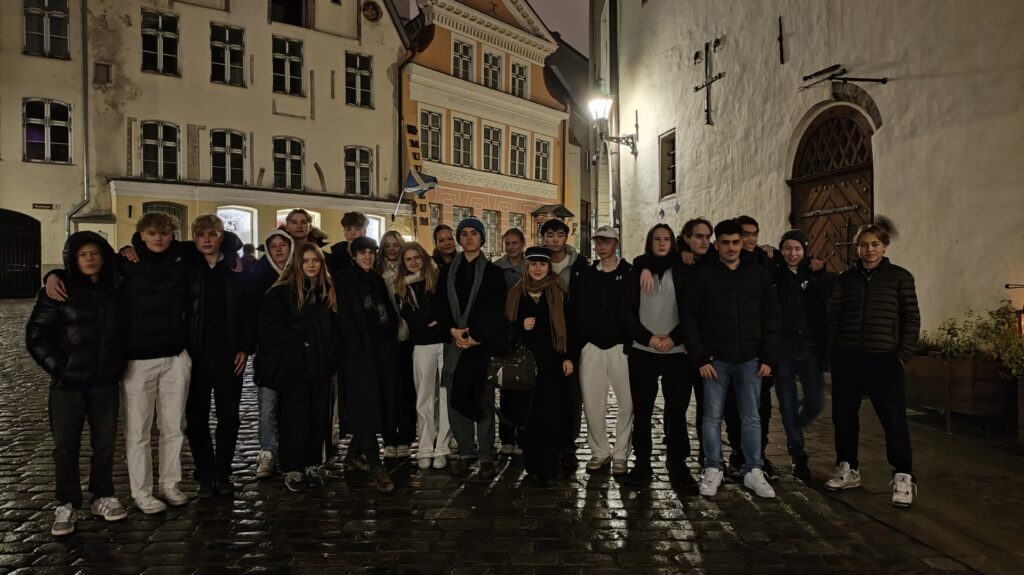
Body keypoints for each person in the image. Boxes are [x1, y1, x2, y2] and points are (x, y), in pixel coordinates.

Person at [26, 232, 128, 536]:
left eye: (95, 253)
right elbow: (36, 335)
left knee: (105, 445)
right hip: (67, 384)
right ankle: (66, 503)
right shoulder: (58, 290)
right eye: (83, 254)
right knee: (65, 447)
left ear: (104, 256)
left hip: (104, 381)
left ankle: (102, 496)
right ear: (73, 258)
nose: (90, 259)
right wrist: (60, 368)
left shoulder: (115, 289)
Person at [683, 219, 781, 499]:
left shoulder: (758, 274)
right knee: (711, 417)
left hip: (750, 359)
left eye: (735, 242)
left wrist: (768, 357)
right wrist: (701, 358)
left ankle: (753, 470)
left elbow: (772, 316)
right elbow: (689, 317)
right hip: (715, 361)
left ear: (741, 243)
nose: (731, 247)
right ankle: (713, 467)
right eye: (725, 242)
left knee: (751, 418)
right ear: (716, 245)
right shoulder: (704, 274)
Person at [827, 222, 920, 508]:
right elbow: (833, 316)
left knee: (893, 419)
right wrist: (834, 352)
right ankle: (847, 468)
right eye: (864, 244)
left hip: (884, 359)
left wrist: (901, 355)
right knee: (844, 416)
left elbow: (911, 318)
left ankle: (903, 476)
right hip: (848, 358)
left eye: (875, 244)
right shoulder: (845, 279)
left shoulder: (900, 277)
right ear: (857, 248)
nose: (870, 249)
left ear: (884, 247)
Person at [257, 243, 338, 493]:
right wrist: (298, 340)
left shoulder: (327, 291)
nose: (311, 265)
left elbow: (336, 327)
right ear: (298, 263)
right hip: (294, 367)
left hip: (321, 367)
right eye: (306, 260)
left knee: (318, 418)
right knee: (294, 419)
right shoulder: (281, 292)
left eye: (316, 260)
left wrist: (330, 352)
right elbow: (267, 328)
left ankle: (313, 464)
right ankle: (292, 467)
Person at [184, 215, 254, 499]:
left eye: (212, 234)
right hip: (195, 356)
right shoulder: (188, 266)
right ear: (194, 238)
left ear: (221, 237)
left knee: (229, 417)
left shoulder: (236, 269)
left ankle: (223, 471)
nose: (206, 240)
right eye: (201, 235)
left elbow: (248, 311)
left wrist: (245, 347)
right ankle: (204, 473)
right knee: (196, 418)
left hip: (229, 355)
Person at [621, 224, 696, 486]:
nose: (662, 243)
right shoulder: (636, 272)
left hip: (677, 352)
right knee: (642, 411)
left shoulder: (684, 270)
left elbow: (693, 311)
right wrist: (648, 338)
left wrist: (674, 338)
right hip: (643, 351)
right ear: (649, 242)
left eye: (666, 239)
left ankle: (678, 464)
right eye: (656, 239)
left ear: (673, 242)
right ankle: (642, 464)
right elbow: (626, 312)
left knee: (677, 411)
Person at [435, 217, 507, 479]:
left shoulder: (494, 273)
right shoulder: (447, 272)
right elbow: (440, 306)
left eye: (473, 233)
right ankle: (465, 451)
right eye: (463, 233)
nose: (468, 237)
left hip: (480, 344)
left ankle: (486, 454)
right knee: (456, 399)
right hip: (455, 343)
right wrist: (452, 331)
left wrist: (476, 336)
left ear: (482, 238)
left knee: (483, 399)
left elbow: (496, 311)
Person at [506, 246, 574, 486]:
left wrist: (568, 357)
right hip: (523, 364)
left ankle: (549, 468)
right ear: (526, 267)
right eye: (533, 264)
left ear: (548, 267)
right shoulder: (516, 293)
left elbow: (569, 326)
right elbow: (504, 328)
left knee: (550, 415)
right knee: (527, 415)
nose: (537, 269)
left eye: (542, 264)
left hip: (551, 362)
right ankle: (532, 466)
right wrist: (519, 327)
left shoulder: (558, 291)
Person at [336, 236, 398, 492]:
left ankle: (353, 457)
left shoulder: (377, 280)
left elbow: (387, 313)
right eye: (362, 252)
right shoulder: (343, 280)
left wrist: (388, 338)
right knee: (365, 408)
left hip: (379, 352)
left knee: (374, 404)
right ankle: (376, 466)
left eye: (371, 252)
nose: (367, 257)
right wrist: (356, 347)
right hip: (357, 355)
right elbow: (343, 318)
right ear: (354, 255)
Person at [771, 229, 832, 481]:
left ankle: (794, 421)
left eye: (797, 249)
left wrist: (821, 269)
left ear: (805, 250)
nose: (792, 253)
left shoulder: (815, 275)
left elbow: (831, 288)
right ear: (781, 250)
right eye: (787, 248)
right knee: (786, 404)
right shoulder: (774, 274)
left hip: (809, 347)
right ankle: (797, 453)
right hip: (783, 348)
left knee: (815, 402)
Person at [574, 225, 633, 477]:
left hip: (621, 346)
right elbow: (578, 309)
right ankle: (599, 451)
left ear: (616, 243)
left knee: (627, 403)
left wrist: (630, 341)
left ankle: (620, 453)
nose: (601, 246)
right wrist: (582, 343)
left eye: (606, 241)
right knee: (592, 403)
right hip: (592, 346)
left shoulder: (629, 272)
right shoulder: (587, 274)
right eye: (598, 242)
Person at [393, 242, 452, 470]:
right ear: (403, 263)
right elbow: (412, 318)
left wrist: (436, 319)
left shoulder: (438, 278)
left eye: (417, 257)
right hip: (421, 346)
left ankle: (443, 448)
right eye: (408, 259)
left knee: (445, 397)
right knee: (424, 399)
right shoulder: (401, 287)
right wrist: (432, 319)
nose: (413, 262)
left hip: (445, 344)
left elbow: (445, 310)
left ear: (424, 257)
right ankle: (425, 448)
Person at [540, 218, 588, 468]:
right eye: (550, 235)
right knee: (548, 391)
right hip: (544, 335)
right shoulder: (538, 261)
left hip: (572, 335)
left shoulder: (579, 264)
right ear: (543, 238)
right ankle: (549, 439)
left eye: (559, 234)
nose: (555, 239)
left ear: (566, 237)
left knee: (571, 393)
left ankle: (568, 442)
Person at [251, 229, 295, 479]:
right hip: (267, 351)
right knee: (267, 405)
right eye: (273, 245)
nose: (278, 249)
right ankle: (267, 450)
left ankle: (289, 450)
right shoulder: (259, 275)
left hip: (294, 351)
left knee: (291, 404)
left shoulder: (298, 272)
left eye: (282, 245)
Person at [377, 230, 416, 459]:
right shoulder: (376, 271)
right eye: (387, 245)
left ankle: (406, 438)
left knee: (407, 389)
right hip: (385, 338)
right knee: (387, 390)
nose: (392, 249)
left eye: (396, 245)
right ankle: (389, 438)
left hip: (408, 336)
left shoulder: (409, 268)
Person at [493, 228, 527, 456]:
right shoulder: (497, 268)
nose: (511, 247)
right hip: (505, 331)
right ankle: (506, 437)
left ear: (523, 244)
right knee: (506, 387)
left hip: (526, 330)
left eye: (515, 243)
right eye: (507, 243)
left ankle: (523, 435)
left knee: (525, 385)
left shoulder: (531, 265)